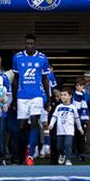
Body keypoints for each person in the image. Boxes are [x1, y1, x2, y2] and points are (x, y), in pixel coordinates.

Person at [12, 34, 55, 165]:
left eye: (31, 43)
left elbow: (45, 79)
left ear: (35, 44)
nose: (29, 46)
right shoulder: (17, 57)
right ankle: (24, 152)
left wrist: (48, 98)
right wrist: (14, 98)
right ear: (24, 44)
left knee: (35, 121)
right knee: (22, 126)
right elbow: (15, 79)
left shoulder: (42, 58)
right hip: (22, 96)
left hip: (37, 95)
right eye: (27, 43)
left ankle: (30, 155)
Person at [47, 88, 82, 165]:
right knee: (59, 146)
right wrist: (51, 124)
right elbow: (54, 116)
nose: (62, 96)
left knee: (68, 144)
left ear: (70, 96)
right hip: (60, 130)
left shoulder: (73, 107)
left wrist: (80, 128)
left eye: (65, 95)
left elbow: (77, 119)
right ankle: (62, 155)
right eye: (62, 95)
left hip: (69, 130)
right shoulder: (58, 107)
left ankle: (68, 159)